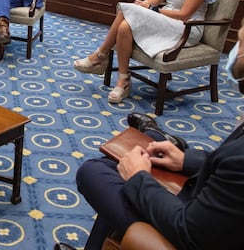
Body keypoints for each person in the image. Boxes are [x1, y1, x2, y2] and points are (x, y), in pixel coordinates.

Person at [54, 21, 244, 250]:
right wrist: (186, 160)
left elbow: (188, 231)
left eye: (240, 44)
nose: (234, 52)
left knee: (94, 172)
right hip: (211, 208)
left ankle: (154, 133)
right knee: (116, 164)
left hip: (187, 227)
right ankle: (156, 135)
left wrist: (138, 179)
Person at [73, 0, 219, 104]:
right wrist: (146, 3)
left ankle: (99, 56)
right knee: (125, 26)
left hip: (186, 28)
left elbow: (184, 15)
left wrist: (153, 10)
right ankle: (123, 80)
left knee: (126, 10)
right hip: (167, 19)